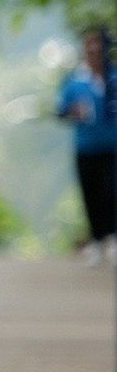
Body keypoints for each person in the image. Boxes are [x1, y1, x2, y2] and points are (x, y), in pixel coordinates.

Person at [55, 25, 117, 265]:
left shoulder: (113, 77)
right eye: (88, 44)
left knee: (111, 191)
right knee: (91, 194)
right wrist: (74, 111)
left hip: (112, 146)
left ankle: (112, 238)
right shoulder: (74, 81)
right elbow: (60, 110)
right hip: (86, 147)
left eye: (97, 44)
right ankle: (97, 241)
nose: (93, 49)